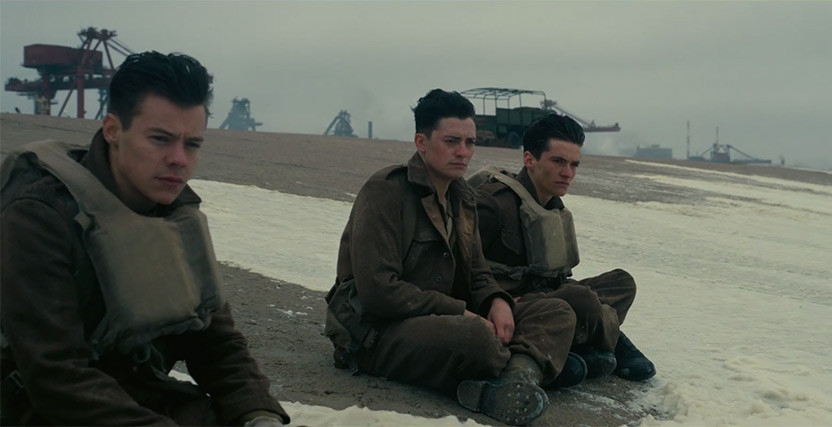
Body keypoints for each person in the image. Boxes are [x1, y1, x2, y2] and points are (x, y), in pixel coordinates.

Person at [0, 51, 288, 426]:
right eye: (160, 139)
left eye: (192, 144)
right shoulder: (40, 217)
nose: (179, 159)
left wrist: (257, 413)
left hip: (137, 397)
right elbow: (55, 376)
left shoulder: (177, 213)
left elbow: (216, 343)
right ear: (112, 130)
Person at [324, 89, 581, 426]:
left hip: (443, 320)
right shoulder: (386, 191)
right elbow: (379, 291)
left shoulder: (462, 197)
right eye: (451, 141)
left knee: (556, 311)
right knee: (475, 339)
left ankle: (514, 380)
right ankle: (523, 367)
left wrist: (495, 301)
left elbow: (478, 272)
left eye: (470, 142)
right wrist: (460, 312)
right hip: (377, 332)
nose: (463, 152)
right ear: (421, 142)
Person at [473, 113, 656, 382]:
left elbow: (556, 276)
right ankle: (609, 342)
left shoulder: (552, 207)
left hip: (549, 298)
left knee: (622, 283)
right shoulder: (494, 203)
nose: (568, 173)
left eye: (573, 164)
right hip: (510, 309)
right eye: (558, 161)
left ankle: (576, 343)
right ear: (530, 159)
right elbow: (460, 268)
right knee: (580, 299)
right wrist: (498, 300)